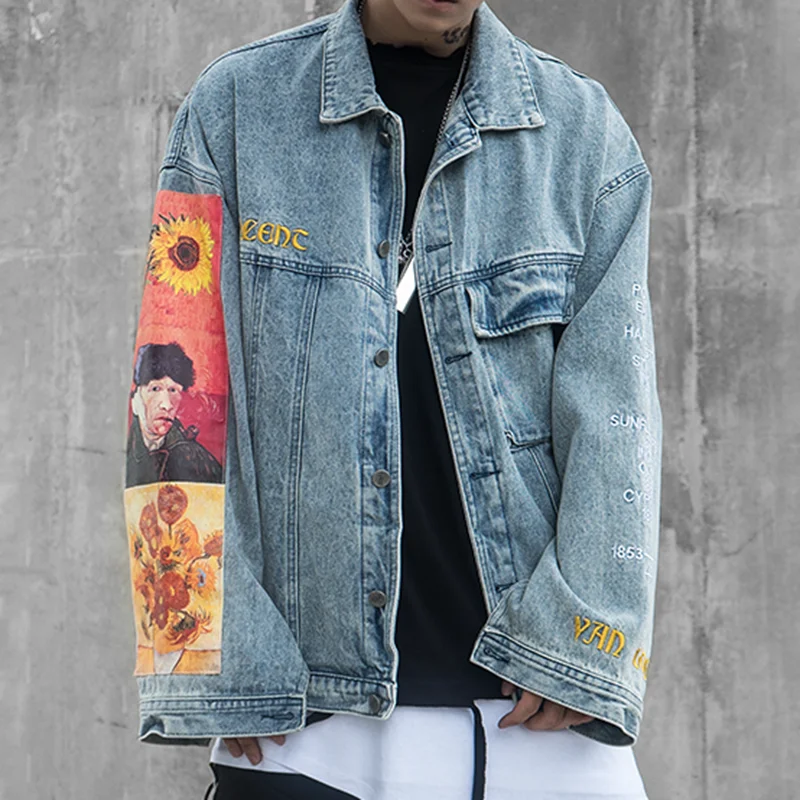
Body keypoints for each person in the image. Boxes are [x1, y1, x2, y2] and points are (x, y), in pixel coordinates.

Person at [123, 0, 662, 797]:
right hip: (307, 727)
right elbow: (170, 400)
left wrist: (582, 646)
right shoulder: (235, 111)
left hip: (536, 723)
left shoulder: (582, 133)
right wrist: (209, 652)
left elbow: (619, 422)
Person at [126, 342, 224, 488]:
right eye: (155, 389)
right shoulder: (123, 449)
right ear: (136, 400)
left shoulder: (194, 457)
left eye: (173, 390)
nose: (167, 405)